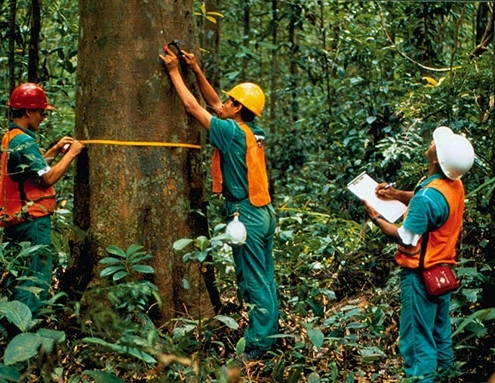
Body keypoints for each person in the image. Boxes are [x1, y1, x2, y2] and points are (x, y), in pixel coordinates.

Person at [160, 45, 278, 361]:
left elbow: (192, 107)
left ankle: (258, 347)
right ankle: (270, 334)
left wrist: (173, 71)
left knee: (253, 281)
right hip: (264, 212)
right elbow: (214, 103)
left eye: (229, 101)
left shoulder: (230, 132)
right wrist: (195, 69)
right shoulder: (252, 130)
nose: (222, 104)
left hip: (246, 216)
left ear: (238, 108)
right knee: (265, 277)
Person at [362, 126, 475, 382]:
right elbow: (429, 200)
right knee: (439, 334)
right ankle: (446, 377)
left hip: (420, 277)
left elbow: (405, 236)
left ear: (437, 159)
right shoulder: (454, 185)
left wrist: (376, 216)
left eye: (436, 145)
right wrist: (395, 195)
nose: (432, 143)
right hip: (442, 273)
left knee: (417, 342)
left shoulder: (426, 198)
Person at [1, 83, 85, 314]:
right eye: (41, 112)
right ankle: (23, 336)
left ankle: (12, 330)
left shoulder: (12, 138)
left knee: (18, 278)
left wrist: (55, 151)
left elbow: (31, 173)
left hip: (16, 221)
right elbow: (46, 179)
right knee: (33, 282)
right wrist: (72, 154)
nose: (43, 117)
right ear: (28, 112)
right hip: (32, 221)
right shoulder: (23, 142)